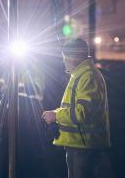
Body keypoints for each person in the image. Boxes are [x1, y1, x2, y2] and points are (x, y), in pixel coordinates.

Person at [42, 38, 111, 178]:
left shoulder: (88, 77)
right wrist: (55, 113)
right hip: (78, 144)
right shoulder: (80, 75)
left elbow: (82, 112)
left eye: (65, 57)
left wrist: (56, 116)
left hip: (85, 145)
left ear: (74, 56)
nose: (64, 61)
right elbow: (76, 108)